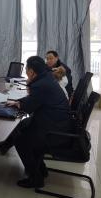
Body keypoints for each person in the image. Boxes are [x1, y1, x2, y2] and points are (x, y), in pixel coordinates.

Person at [5, 56, 71, 188]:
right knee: (22, 126)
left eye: (27, 70)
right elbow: (34, 100)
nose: (26, 73)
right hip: (59, 122)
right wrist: (19, 102)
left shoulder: (40, 84)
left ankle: (36, 178)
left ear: (31, 71)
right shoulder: (47, 77)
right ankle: (40, 168)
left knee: (21, 140)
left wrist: (21, 102)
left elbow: (29, 107)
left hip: (54, 130)